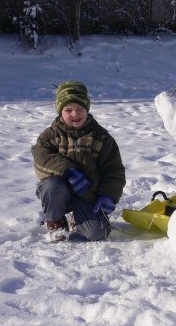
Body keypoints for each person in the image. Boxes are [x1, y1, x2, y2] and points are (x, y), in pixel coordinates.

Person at [31, 81, 126, 242]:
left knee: (97, 234)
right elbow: (40, 157)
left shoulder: (101, 137)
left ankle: (80, 220)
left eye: (80, 109)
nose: (75, 114)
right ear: (60, 112)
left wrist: (108, 196)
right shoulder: (50, 135)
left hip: (86, 195)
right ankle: (56, 222)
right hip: (59, 192)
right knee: (51, 187)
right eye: (68, 110)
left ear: (87, 109)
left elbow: (114, 170)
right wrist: (67, 170)